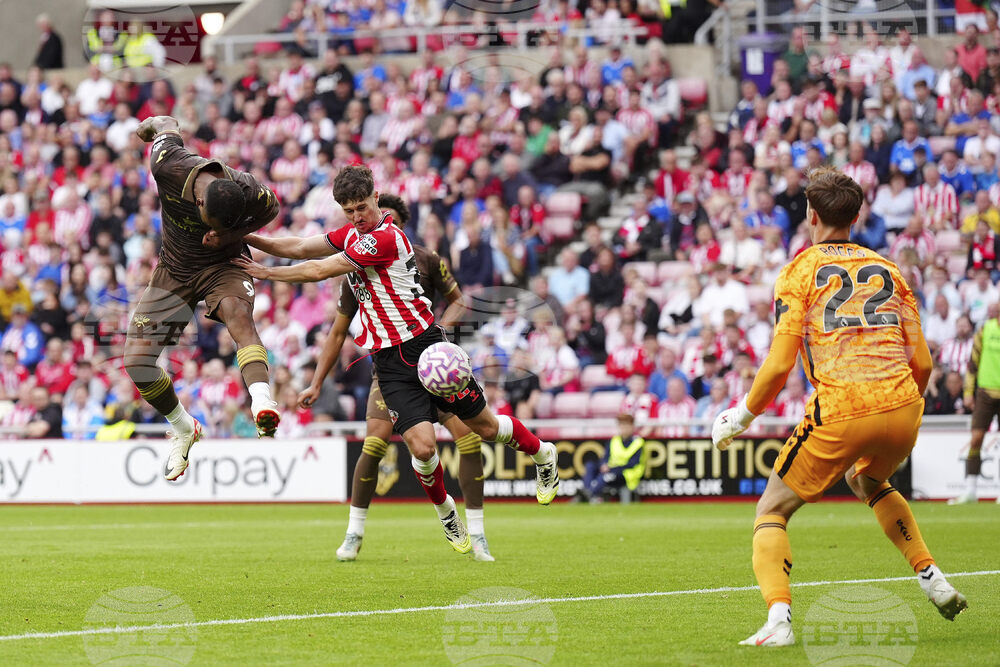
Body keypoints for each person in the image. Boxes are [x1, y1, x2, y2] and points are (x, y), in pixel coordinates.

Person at [237, 166, 559, 555]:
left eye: (361, 207)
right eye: (348, 210)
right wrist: (250, 237)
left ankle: (543, 453)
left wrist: (264, 273)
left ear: (376, 196)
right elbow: (304, 246)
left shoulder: (384, 238)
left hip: (428, 349)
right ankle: (445, 510)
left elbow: (321, 268)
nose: (357, 216)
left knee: (486, 429)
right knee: (422, 449)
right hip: (389, 363)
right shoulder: (352, 234)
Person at [711, 169, 966, 647]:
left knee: (771, 511)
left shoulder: (800, 270)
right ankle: (932, 577)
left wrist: (740, 415)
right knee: (868, 480)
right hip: (905, 403)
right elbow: (925, 363)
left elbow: (780, 362)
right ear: (856, 216)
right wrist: (902, 404)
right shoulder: (890, 270)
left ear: (811, 215)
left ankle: (779, 621)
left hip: (844, 405)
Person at [295, 194, 494, 562]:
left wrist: (441, 338)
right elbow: (337, 332)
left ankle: (478, 533)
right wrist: (317, 381)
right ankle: (354, 531)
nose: (376, 226)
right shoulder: (355, 267)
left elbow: (460, 300)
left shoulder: (427, 259)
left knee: (468, 437)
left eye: (391, 220)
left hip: (432, 364)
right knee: (375, 443)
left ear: (399, 223)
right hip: (390, 369)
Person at [126, 115, 282, 482]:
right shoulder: (167, 163)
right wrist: (147, 128)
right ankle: (183, 427)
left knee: (238, 315)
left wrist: (231, 237)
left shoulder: (247, 190)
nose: (212, 229)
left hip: (224, 266)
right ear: (198, 200)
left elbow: (272, 208)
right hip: (176, 269)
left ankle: (262, 402)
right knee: (137, 363)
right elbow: (166, 123)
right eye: (211, 223)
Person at [951, 308, 1000, 505]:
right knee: (976, 439)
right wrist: (968, 392)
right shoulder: (985, 330)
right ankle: (971, 490)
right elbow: (973, 363)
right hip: (985, 393)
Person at [578, 413, 646, 503]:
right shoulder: (614, 440)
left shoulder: (638, 442)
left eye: (626, 425)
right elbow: (605, 457)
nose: (623, 427)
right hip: (611, 469)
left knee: (606, 476)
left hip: (626, 475)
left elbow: (633, 463)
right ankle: (587, 490)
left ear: (632, 427)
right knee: (590, 466)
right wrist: (604, 465)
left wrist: (611, 468)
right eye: (621, 424)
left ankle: (589, 494)